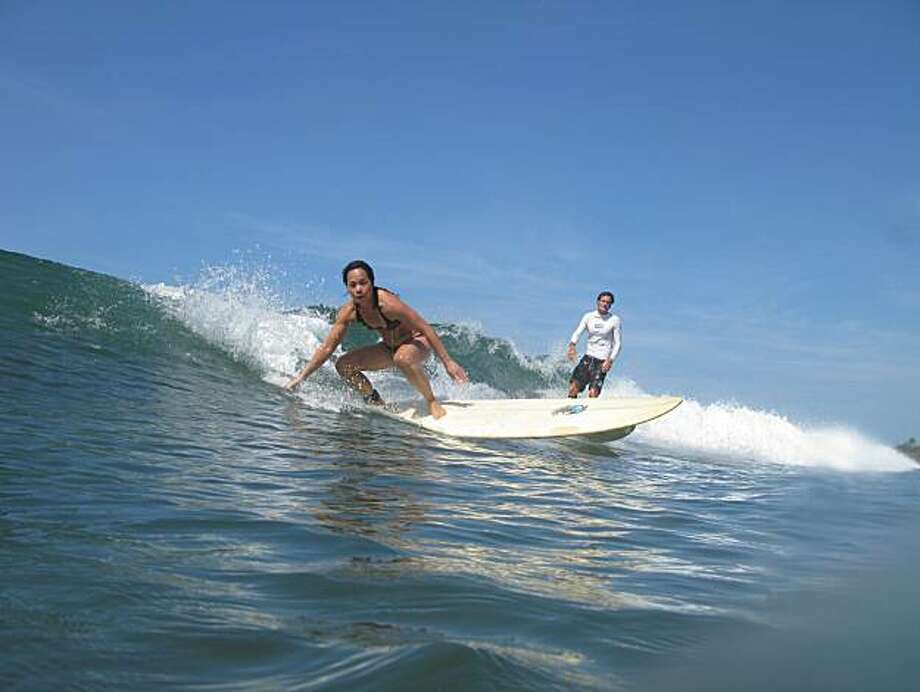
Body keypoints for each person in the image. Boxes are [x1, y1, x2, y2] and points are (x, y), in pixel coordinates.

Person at [285, 260, 468, 419]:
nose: (358, 289)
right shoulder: (349, 312)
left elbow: (425, 327)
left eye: (363, 283)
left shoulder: (388, 304)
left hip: (416, 342)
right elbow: (327, 349)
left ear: (372, 283)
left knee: (402, 358)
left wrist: (448, 362)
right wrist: (301, 377)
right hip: (389, 347)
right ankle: (374, 400)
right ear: (347, 288)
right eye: (353, 285)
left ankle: (431, 401)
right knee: (344, 365)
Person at [566, 291, 621, 398]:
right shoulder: (588, 317)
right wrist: (572, 346)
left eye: (608, 302)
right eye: (603, 301)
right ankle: (571, 410)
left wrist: (610, 360)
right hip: (588, 358)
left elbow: (618, 343)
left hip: (602, 361)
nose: (605, 304)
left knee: (593, 393)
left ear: (610, 305)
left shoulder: (614, 320)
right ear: (598, 302)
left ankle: (590, 412)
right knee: (573, 388)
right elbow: (578, 332)